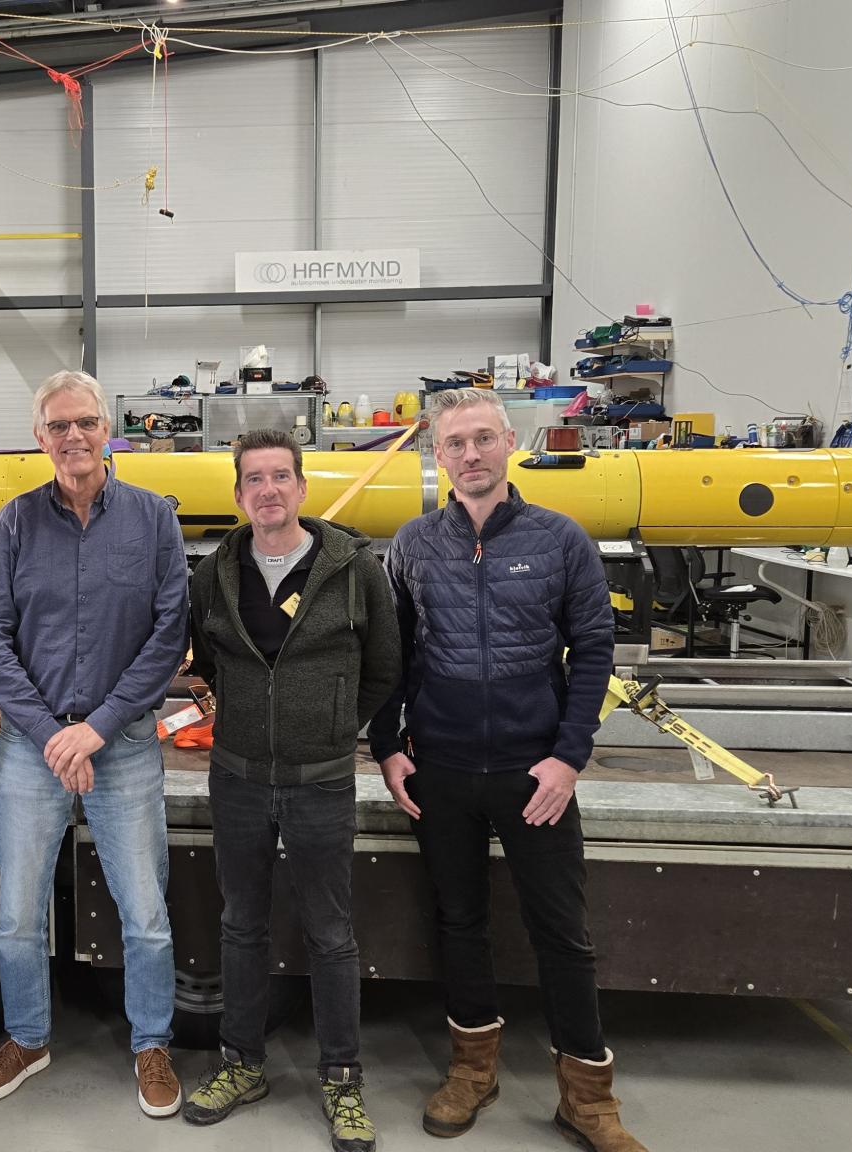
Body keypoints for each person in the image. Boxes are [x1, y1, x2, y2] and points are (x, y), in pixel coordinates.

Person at [370, 387, 644, 1151]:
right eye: (455, 443)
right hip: (442, 768)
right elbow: (392, 654)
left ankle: (588, 1096)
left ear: (510, 443)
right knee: (459, 921)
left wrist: (568, 757)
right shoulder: (414, 543)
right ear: (438, 454)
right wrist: (387, 746)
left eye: (484, 438)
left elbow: (594, 650)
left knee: (561, 931)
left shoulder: (561, 540)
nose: (471, 454)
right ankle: (472, 1070)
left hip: (535, 773)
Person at [0, 370, 189, 1118]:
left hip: (122, 742)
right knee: (17, 912)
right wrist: (51, 733)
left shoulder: (153, 519)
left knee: (145, 910)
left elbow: (169, 635)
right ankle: (26, 1038)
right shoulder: (14, 522)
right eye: (58, 426)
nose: (73, 436)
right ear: (40, 437)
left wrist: (97, 727)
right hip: (32, 747)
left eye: (85, 422)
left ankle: (151, 1044)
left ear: (107, 429)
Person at [181, 429, 398, 1152]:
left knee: (330, 933)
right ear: (238, 494)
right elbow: (207, 663)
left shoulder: (353, 569)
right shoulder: (215, 573)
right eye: (254, 479)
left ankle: (342, 1078)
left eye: (281, 476)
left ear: (302, 487)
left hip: (321, 784)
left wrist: (334, 725)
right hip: (238, 779)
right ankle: (243, 1064)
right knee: (241, 925)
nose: (268, 490)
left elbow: (385, 665)